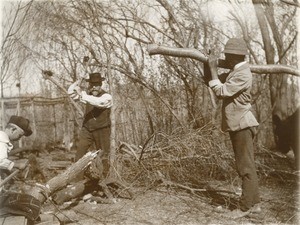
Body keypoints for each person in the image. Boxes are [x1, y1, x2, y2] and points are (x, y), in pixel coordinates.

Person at [207, 38, 261, 218]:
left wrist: (214, 68)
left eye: (227, 56)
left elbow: (221, 91)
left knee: (245, 167)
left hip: (242, 124)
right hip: (238, 124)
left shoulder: (243, 74)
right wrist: (208, 65)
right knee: (247, 165)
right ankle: (255, 205)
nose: (226, 58)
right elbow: (209, 80)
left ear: (233, 57)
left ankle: (245, 207)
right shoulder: (235, 72)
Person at [68, 72, 112, 180]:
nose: (94, 87)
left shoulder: (107, 97)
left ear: (101, 84)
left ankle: (104, 182)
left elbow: (99, 103)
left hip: (102, 130)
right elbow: (71, 93)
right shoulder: (88, 96)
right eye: (92, 85)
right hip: (87, 129)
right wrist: (78, 82)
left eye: (97, 84)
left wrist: (82, 94)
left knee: (104, 156)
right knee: (80, 155)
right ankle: (77, 183)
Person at [0, 115, 32, 189]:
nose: (19, 138)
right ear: (13, 130)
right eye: (20, 135)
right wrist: (17, 165)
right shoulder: (2, 142)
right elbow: (0, 161)